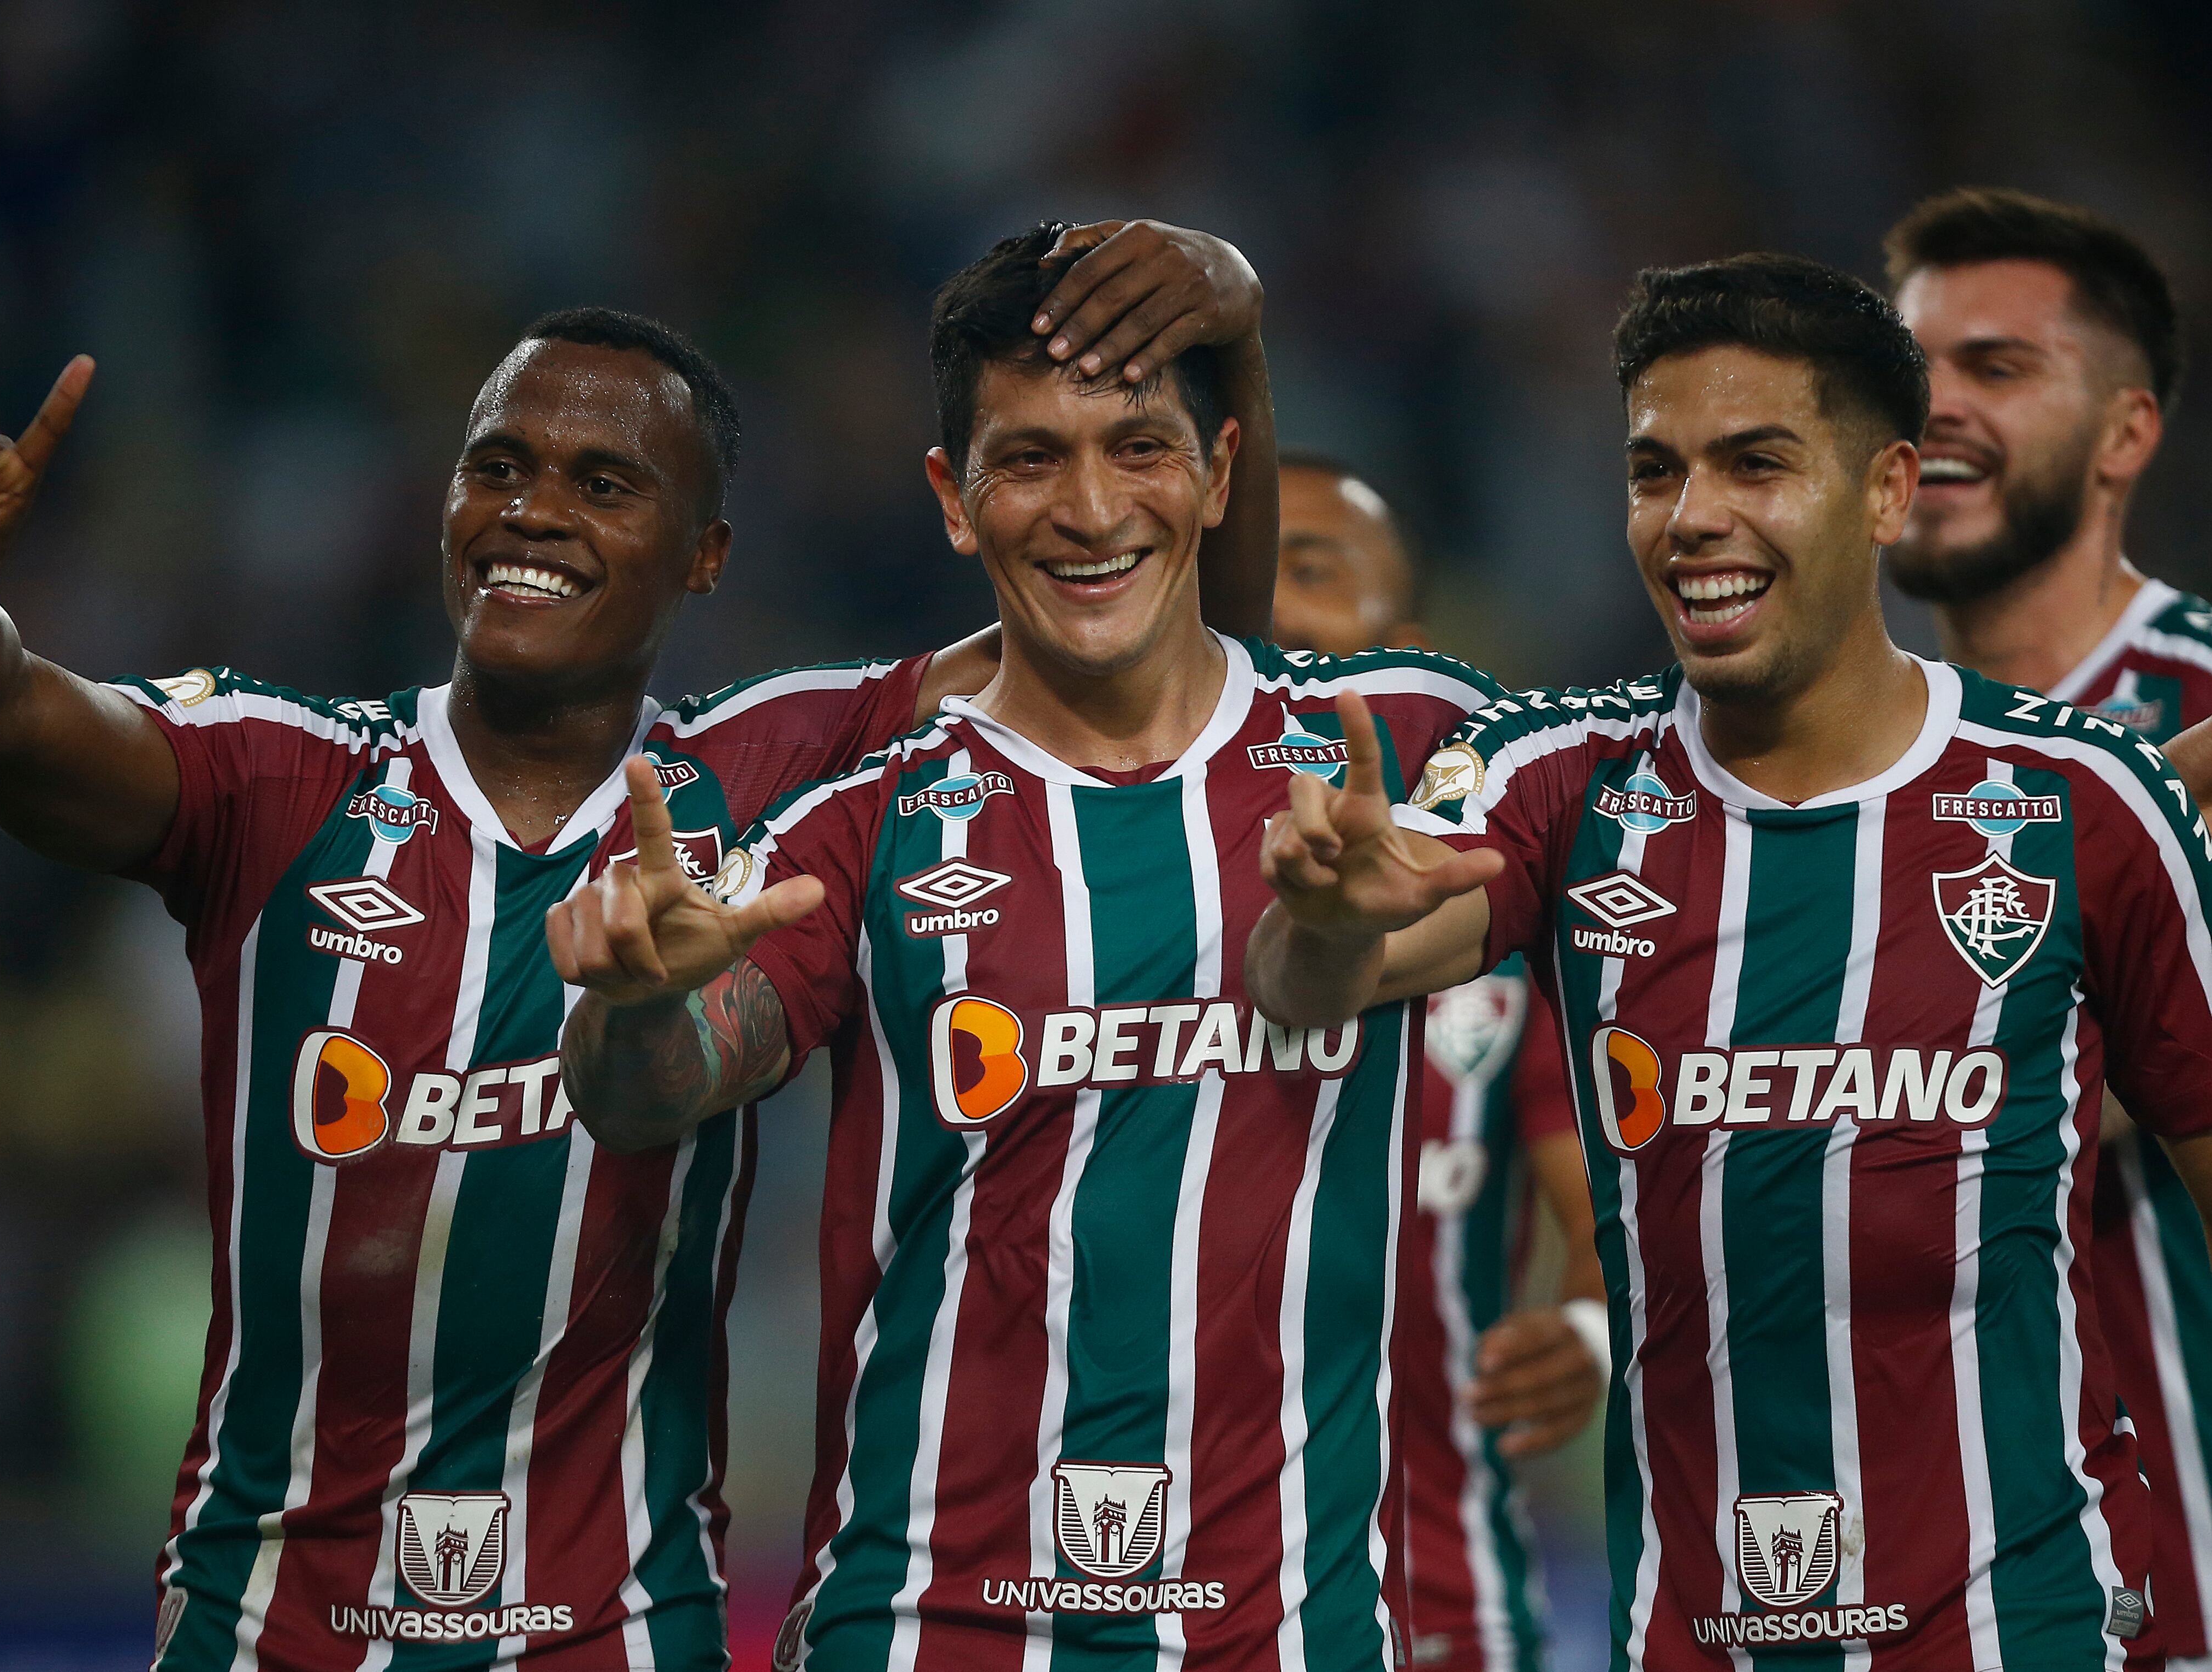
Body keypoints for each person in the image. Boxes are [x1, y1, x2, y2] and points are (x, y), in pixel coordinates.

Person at [0, 221, 1277, 1672]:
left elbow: (1175, 676)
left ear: (705, 555)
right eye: (499, 467)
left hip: (618, 1629)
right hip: (270, 1628)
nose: (532, 510)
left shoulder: (784, 770)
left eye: (602, 484)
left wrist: (1232, 329)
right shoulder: (279, 781)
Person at [546, 226, 1504, 1671]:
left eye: (1138, 446)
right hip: (924, 1628)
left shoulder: (1396, 748)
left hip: (1285, 1635)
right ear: (954, 498)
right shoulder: (864, 818)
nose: (1091, 506)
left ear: (1219, 473)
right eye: (1032, 457)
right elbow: (659, 1079)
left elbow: (1708, 795)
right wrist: (627, 1009)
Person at [1249, 253, 2212, 1668]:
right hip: (1690, 1632)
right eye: (1655, 470)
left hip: (2034, 1625)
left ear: (1888, 488)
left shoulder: (2083, 800)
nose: (1693, 518)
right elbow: (1313, 980)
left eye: (1755, 462)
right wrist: (1326, 918)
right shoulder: (1559, 776)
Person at [1882, 185, 2212, 1671]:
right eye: (1913, 371)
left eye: (1997, 367)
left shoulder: (2199, 702)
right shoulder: (1845, 761)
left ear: (2128, 432)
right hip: (1928, 1581)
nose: (1934, 407)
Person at [1275, 452, 1603, 1671]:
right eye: (1234, 582)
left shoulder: (1504, 953)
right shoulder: (1110, 920)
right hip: (1155, 1595)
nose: (1269, 613)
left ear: (1400, 643)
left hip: (1439, 1604)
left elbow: (1606, 1218)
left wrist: (1582, 1329)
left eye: (1309, 571)